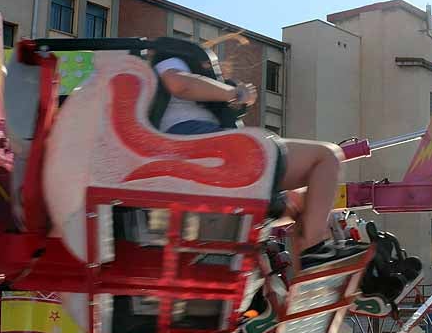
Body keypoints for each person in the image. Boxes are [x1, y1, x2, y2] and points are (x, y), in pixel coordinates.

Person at [154, 56, 366, 271]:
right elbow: (179, 83)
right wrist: (233, 93)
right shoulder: (170, 58)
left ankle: (304, 271)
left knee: (303, 202)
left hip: (210, 152)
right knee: (327, 156)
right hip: (203, 149)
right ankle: (313, 250)